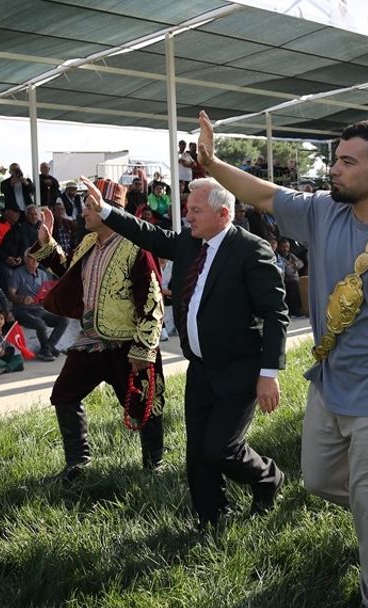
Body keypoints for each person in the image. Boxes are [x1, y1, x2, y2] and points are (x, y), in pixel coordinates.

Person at [196, 111, 368, 607]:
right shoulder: (325, 211)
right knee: (318, 479)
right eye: (335, 159)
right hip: (329, 381)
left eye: (346, 161)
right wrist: (213, 163)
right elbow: (265, 194)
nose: (333, 169)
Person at [87, 174, 288, 529]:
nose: (188, 217)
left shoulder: (251, 250)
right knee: (197, 454)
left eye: (195, 210)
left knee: (221, 449)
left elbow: (275, 314)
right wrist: (105, 210)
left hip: (239, 368)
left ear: (223, 214)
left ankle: (268, 479)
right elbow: (147, 235)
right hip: (201, 369)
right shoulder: (190, 243)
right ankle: (211, 516)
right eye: (187, 209)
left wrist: (269, 374)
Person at [30, 178, 166, 481]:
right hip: (90, 341)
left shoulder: (137, 247)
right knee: (64, 394)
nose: (84, 213)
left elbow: (153, 300)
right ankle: (77, 466)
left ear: (110, 210)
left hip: (128, 344)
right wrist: (46, 243)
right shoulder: (90, 242)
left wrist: (144, 350)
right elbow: (68, 273)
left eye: (90, 207)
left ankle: (154, 467)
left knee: (145, 405)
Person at [6, 252, 68, 362]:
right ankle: (48, 348)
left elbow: (45, 293)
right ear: (25, 259)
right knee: (40, 324)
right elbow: (10, 295)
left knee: (64, 320)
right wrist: (22, 299)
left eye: (38, 258)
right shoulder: (18, 273)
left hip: (39, 309)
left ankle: (47, 347)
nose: (35, 261)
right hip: (23, 311)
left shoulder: (43, 274)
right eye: (32, 258)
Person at [273, 237, 305, 317]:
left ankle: (300, 309)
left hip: (295, 279)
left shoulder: (291, 255)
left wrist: (295, 264)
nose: (285, 249)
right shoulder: (280, 257)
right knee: (292, 286)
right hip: (287, 280)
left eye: (287, 247)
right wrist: (293, 265)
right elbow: (287, 270)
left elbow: (301, 264)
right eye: (283, 247)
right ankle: (294, 311)